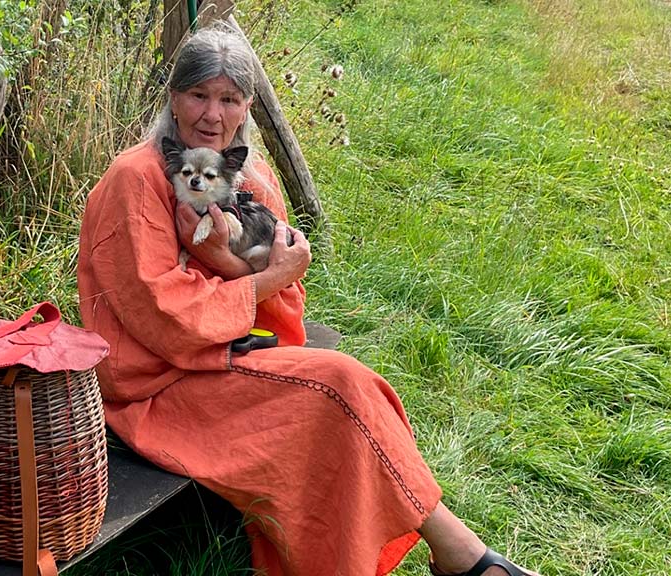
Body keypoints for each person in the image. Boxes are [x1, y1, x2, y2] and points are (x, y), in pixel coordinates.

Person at [77, 22, 540, 576]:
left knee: (354, 387)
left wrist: (230, 265)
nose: (212, 115)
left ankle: (456, 556)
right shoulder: (137, 178)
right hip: (155, 383)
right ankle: (465, 559)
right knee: (336, 391)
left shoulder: (249, 177)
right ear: (174, 98)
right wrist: (263, 279)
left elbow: (286, 309)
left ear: (247, 106)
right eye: (199, 95)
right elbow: (161, 314)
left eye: (229, 99)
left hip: (229, 354)